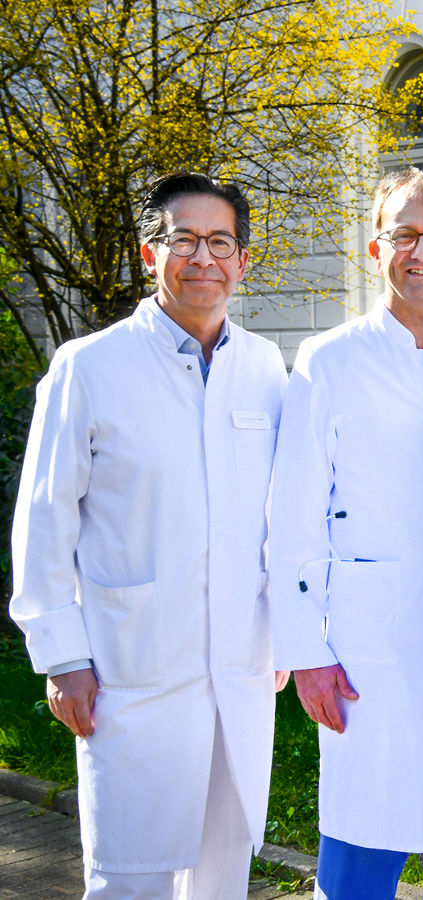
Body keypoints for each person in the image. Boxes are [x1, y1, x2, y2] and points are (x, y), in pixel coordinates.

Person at [9, 172, 287, 899]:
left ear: (244, 259)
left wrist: (289, 632)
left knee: (222, 874)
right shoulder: (90, 367)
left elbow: (282, 516)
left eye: (220, 242)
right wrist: (61, 654)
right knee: (130, 877)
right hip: (129, 670)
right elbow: (44, 520)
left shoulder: (264, 369)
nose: (203, 258)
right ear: (147, 253)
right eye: (183, 240)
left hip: (240, 668)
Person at [268, 168, 423, 899]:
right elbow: (292, 519)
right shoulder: (329, 361)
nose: (422, 252)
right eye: (405, 235)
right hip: (371, 648)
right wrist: (306, 652)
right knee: (361, 853)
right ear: (375, 248)